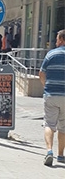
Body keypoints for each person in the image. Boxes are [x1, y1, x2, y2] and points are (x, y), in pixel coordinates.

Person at [39, 29, 65, 166]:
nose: (55, 41)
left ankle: (49, 151)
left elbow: (41, 73)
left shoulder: (51, 54)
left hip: (51, 94)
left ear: (61, 40)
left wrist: (46, 86)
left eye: (57, 39)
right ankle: (61, 155)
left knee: (49, 124)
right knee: (64, 126)